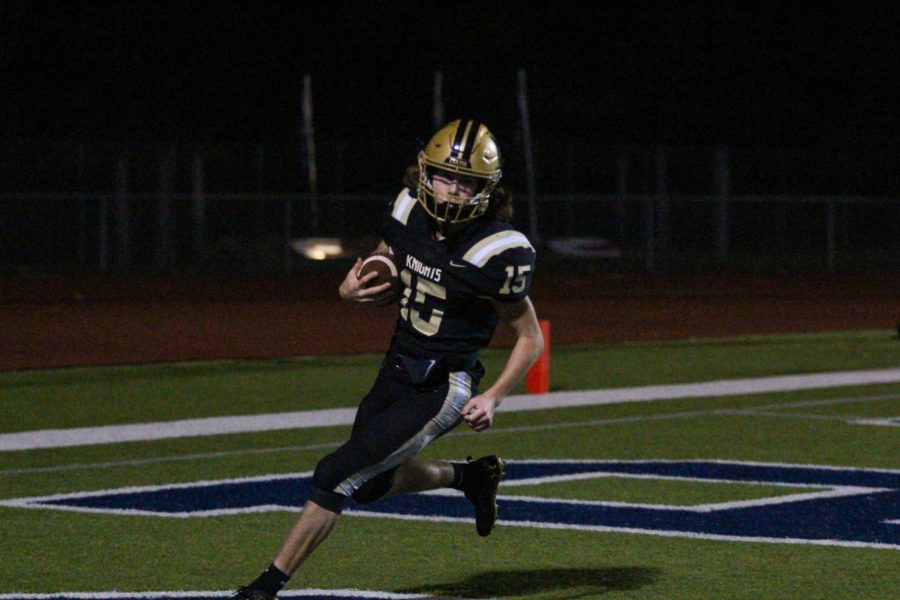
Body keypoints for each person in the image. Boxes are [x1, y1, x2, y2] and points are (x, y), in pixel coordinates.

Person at [234, 119, 544, 599]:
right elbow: (387, 255)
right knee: (373, 484)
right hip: (397, 365)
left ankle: (266, 586)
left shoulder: (494, 251)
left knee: (337, 473)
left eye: (467, 182)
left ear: (488, 190)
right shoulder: (408, 210)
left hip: (444, 384)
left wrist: (494, 396)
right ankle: (472, 477)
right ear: (425, 171)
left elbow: (530, 336)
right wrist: (349, 287)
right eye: (445, 176)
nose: (454, 190)